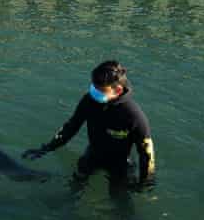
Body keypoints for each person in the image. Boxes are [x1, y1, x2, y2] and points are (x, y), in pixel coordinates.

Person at [23, 61, 155, 193]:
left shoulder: (133, 115)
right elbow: (71, 126)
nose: (94, 92)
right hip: (93, 155)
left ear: (118, 90)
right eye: (93, 87)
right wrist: (47, 148)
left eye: (100, 90)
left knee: (119, 200)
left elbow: (146, 152)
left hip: (120, 164)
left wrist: (145, 182)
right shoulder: (89, 100)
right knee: (74, 187)